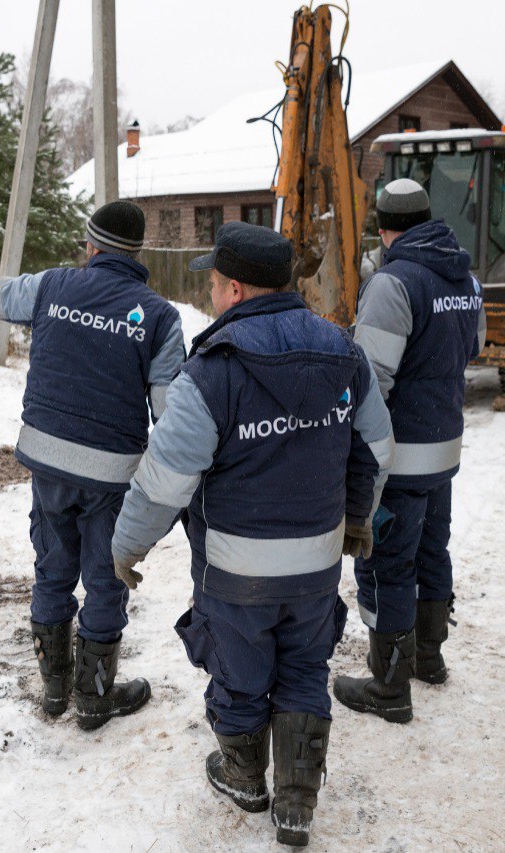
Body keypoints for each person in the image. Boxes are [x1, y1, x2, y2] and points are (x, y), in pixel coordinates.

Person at [110, 222, 393, 847]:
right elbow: (376, 444)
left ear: (234, 289)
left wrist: (127, 548)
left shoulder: (212, 371)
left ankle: (244, 776)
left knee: (239, 671)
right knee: (303, 665)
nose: (211, 297)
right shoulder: (344, 353)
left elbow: (163, 483)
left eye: (212, 285)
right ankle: (296, 798)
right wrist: (356, 517)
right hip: (316, 564)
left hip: (236, 573)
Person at [0, 200, 185, 730]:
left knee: (52, 568)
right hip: (111, 477)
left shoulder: (50, 287)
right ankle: (92, 700)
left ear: (91, 247)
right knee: (105, 578)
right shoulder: (159, 317)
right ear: (136, 253)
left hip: (46, 464)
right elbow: (170, 412)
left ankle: (53, 691)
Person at [333, 178, 486, 724]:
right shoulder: (465, 277)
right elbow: (475, 345)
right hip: (445, 449)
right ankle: (429, 657)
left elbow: (371, 380)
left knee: (386, 563)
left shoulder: (393, 283)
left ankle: (389, 687)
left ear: (382, 227)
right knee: (432, 551)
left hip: (399, 458)